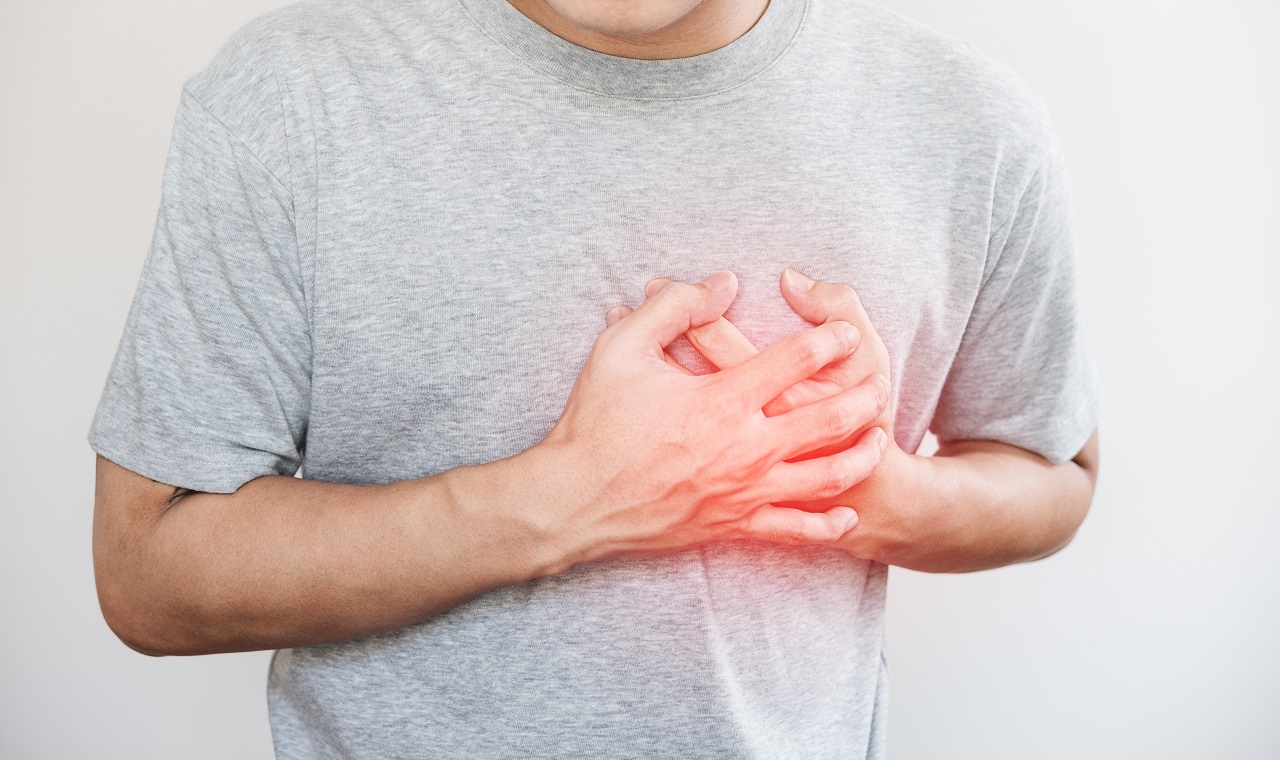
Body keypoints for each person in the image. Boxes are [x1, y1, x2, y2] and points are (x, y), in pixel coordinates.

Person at [87, 0, 1103, 756]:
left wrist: (866, 491)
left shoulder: (971, 125)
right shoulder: (288, 99)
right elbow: (147, 577)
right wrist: (562, 504)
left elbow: (1053, 478)